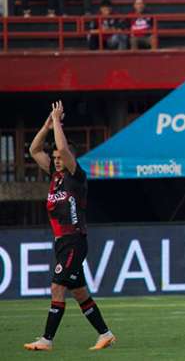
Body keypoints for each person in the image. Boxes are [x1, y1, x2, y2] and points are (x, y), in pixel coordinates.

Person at [24, 101, 116, 351]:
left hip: (74, 240)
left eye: (59, 158)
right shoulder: (55, 178)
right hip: (62, 243)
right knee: (80, 293)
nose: (55, 160)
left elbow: (64, 149)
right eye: (53, 158)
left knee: (57, 287)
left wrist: (56, 121)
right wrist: (46, 125)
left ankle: (47, 339)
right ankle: (105, 334)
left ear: (70, 159)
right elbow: (34, 149)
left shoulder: (77, 176)